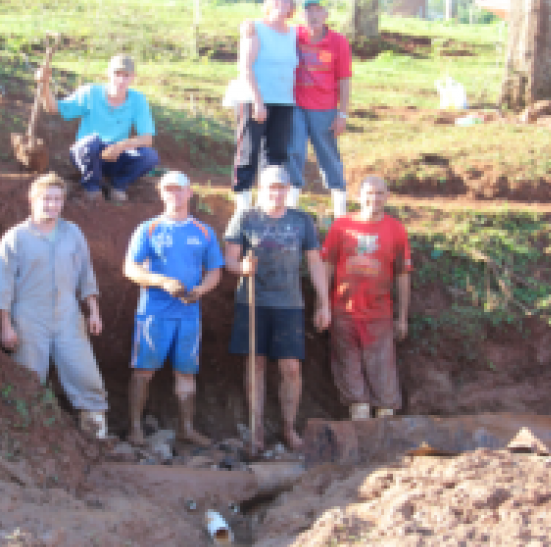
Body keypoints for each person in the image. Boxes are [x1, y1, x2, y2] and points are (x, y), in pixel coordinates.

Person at [0, 172, 110, 438]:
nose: (53, 205)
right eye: (47, 199)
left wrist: (93, 311)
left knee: (84, 373)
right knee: (28, 378)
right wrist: (5, 326)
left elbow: (86, 274)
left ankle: (95, 433)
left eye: (57, 199)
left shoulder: (72, 233)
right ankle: (27, 437)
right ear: (33, 200)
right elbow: (3, 285)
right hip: (28, 318)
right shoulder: (16, 238)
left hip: (68, 315)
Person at [224, 165, 330, 454]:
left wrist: (323, 302)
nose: (277, 192)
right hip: (252, 302)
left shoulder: (301, 220)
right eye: (272, 187)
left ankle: (288, 427)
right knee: (255, 365)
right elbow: (229, 260)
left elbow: (315, 263)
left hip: (289, 304)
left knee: (291, 368)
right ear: (261, 188)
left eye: (282, 187)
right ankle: (256, 429)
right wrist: (242, 267)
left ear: (288, 189)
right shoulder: (245, 218)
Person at [122, 171, 225, 447]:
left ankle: (186, 429)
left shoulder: (204, 232)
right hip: (154, 313)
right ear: (160, 192)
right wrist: (162, 281)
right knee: (143, 370)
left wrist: (200, 291)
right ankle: (134, 429)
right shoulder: (149, 229)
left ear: (189, 192)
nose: (174, 194)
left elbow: (215, 271)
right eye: (168, 189)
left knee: (186, 372)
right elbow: (130, 268)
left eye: (179, 189)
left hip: (189, 314)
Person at [320, 175, 412, 420]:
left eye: (380, 193)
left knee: (384, 383)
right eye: (369, 193)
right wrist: (322, 305)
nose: (374, 198)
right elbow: (326, 266)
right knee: (352, 380)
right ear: (359, 196)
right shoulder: (341, 226)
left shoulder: (396, 230)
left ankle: (385, 426)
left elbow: (403, 275)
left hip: (379, 315)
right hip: (344, 313)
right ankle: (359, 422)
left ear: (387, 196)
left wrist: (402, 318)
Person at [37, 54, 159, 203]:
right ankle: (92, 188)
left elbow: (147, 139)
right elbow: (53, 108)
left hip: (115, 155)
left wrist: (119, 146)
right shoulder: (90, 93)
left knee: (150, 156)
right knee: (92, 141)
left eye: (126, 75)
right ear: (108, 73)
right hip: (87, 153)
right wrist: (44, 85)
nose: (121, 80)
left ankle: (118, 186)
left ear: (132, 77)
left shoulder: (138, 99)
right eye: (117, 74)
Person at [230, 0, 299, 212]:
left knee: (276, 154)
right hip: (254, 98)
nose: (281, 3)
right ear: (268, 3)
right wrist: (258, 102)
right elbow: (245, 66)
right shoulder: (255, 28)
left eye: (286, 0)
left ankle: (267, 204)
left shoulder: (294, 33)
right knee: (248, 151)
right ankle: (242, 207)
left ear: (291, 7)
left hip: (284, 101)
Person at [288, 0, 353, 219]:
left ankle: (340, 213)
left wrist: (342, 114)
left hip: (325, 109)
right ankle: (290, 209)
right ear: (301, 14)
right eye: (308, 10)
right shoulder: (293, 35)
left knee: (328, 155)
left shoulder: (338, 42)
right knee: (294, 151)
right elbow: (269, 29)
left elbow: (344, 79)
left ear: (326, 14)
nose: (313, 15)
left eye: (318, 10)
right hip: (296, 106)